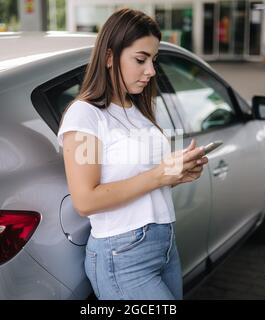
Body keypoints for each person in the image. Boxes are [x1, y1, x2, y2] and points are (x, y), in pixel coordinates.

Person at [57, 8, 208, 300]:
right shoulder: (84, 115)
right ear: (110, 57)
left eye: (153, 60)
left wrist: (177, 174)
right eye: (140, 60)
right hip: (122, 256)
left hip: (164, 247)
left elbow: (141, 179)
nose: (151, 71)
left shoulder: (138, 109)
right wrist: (158, 176)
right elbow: (85, 200)